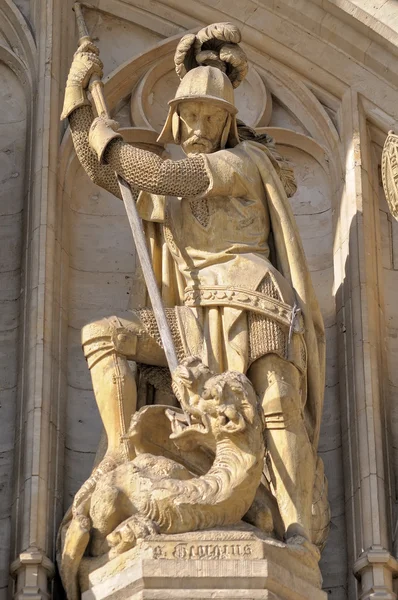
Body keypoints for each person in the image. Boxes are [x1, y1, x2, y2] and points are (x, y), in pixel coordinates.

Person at [61, 24, 326, 546]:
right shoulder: (181, 176)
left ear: (229, 123)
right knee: (103, 335)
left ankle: (296, 530)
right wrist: (79, 105)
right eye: (190, 115)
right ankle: (119, 451)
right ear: (175, 121)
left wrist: (106, 136)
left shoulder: (239, 164)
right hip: (191, 314)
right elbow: (107, 174)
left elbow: (158, 176)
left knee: (276, 403)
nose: (200, 125)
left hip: (253, 300)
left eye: (212, 116)